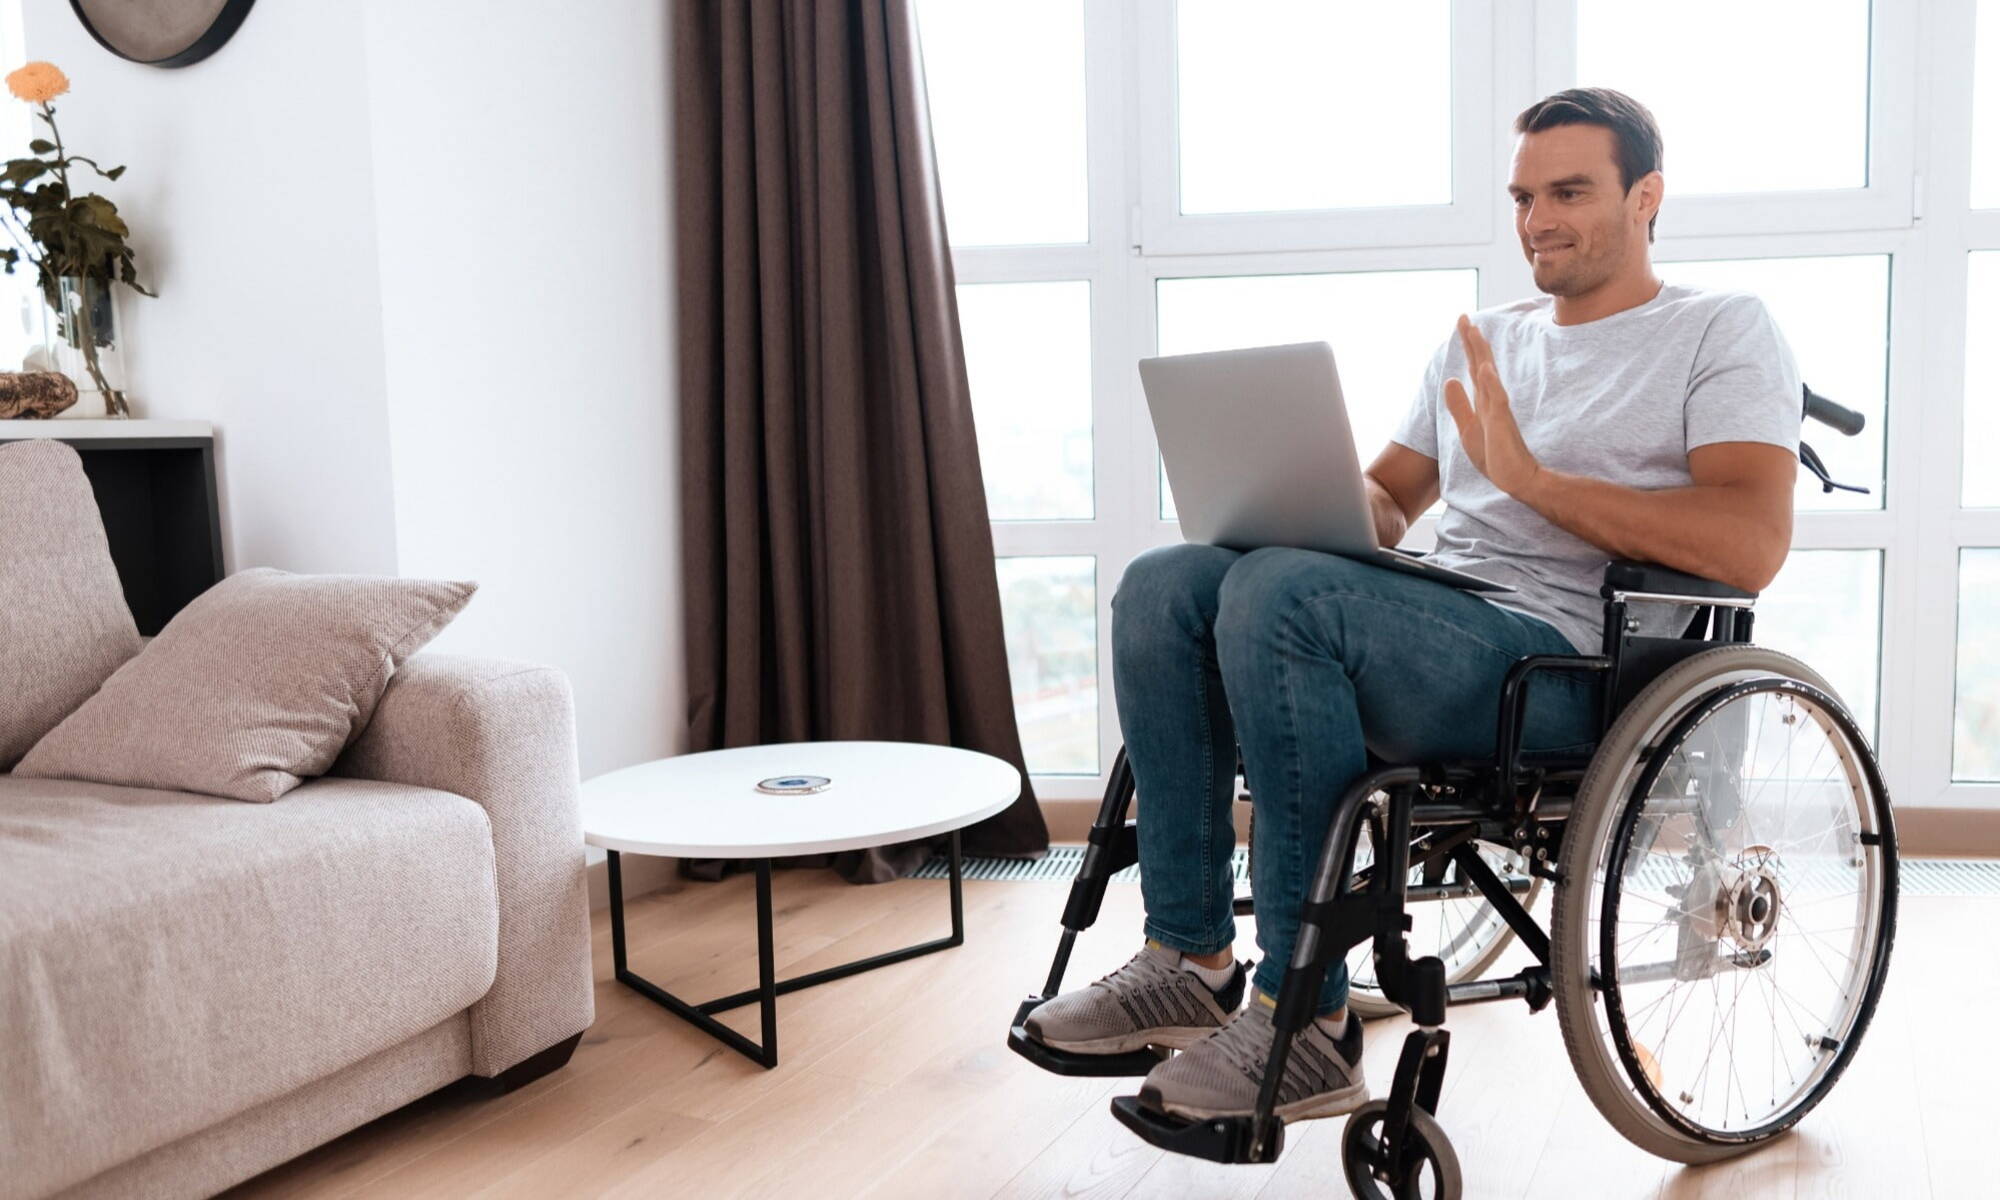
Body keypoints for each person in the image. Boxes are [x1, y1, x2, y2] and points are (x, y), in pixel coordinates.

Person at [1021, 86, 1803, 1125]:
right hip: (1442, 614)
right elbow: (1392, 497)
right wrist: (1313, 502)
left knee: (1279, 598)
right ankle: (1187, 956)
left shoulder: (1718, 329)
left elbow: (1751, 544)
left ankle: (1305, 1017)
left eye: (1568, 192)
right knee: (1166, 585)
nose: (1536, 220)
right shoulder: (1483, 338)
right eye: (1523, 196)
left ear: (1644, 195)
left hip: (1566, 667)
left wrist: (1532, 482)